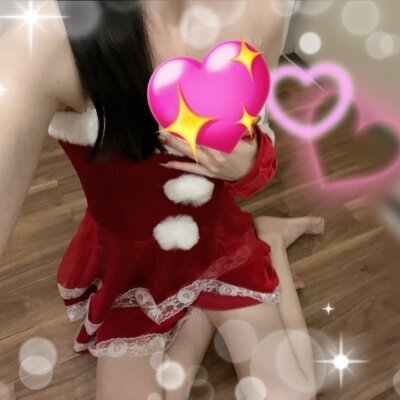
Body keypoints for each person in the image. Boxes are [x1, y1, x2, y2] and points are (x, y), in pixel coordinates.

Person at [0, 1, 324, 399]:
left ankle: (267, 241)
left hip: (216, 241)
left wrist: (250, 159)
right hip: (132, 268)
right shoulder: (50, 38)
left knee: (295, 394)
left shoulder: (266, 10)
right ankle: (211, 297)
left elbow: (258, 136)